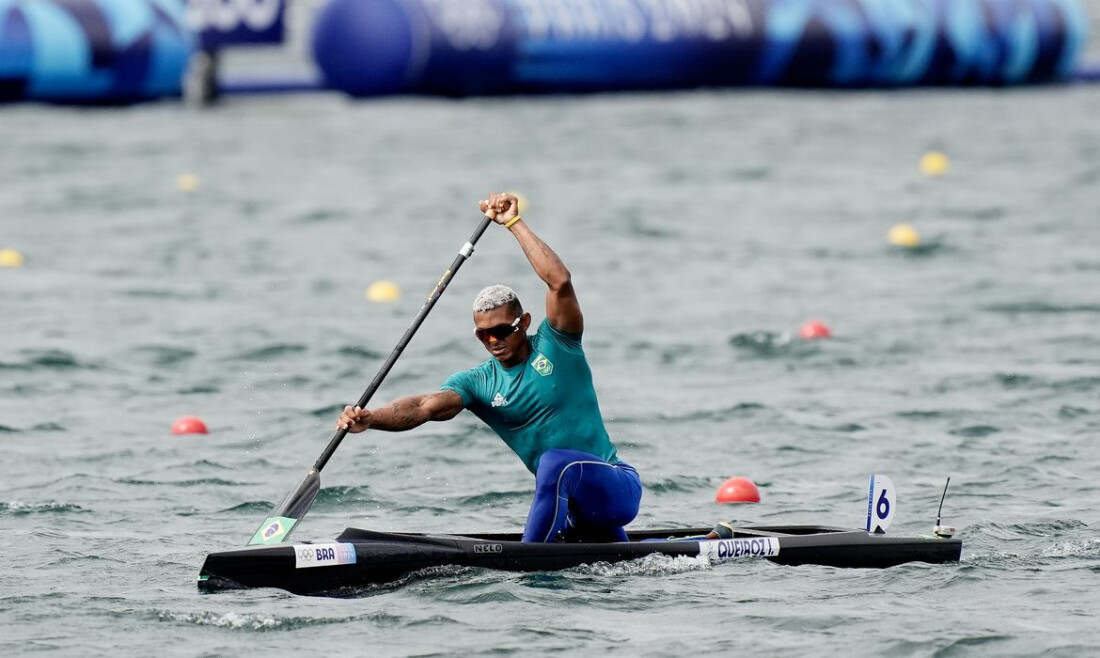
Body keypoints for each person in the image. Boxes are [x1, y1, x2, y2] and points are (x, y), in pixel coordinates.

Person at [336, 192, 642, 543]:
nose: (493, 340)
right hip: (575, 508)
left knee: (555, 463)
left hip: (617, 487)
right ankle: (702, 544)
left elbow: (559, 281)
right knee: (614, 551)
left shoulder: (559, 344)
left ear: (524, 322)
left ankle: (528, 560)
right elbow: (423, 407)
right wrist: (370, 418)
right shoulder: (480, 382)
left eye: (501, 330)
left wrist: (513, 223)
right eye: (483, 335)